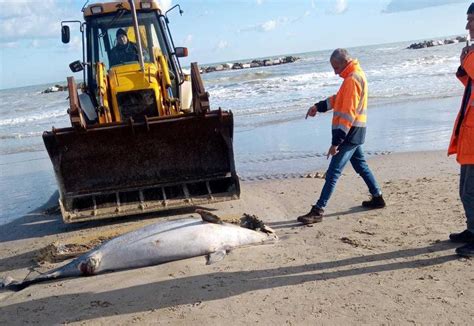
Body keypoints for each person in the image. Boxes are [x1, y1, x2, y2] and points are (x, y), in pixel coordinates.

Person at [297, 48, 385, 225]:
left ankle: (318, 210)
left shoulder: (352, 79)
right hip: (356, 132)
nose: (335, 72)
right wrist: (319, 106)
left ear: (345, 62)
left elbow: (348, 113)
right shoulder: (354, 75)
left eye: (336, 67)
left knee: (333, 172)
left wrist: (336, 142)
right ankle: (377, 197)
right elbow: (339, 99)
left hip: (350, 134)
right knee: (361, 165)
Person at [447, 3, 474, 258]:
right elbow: (471, 83)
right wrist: (463, 66)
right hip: (469, 135)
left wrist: (467, 58)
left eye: (471, 20)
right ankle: (472, 230)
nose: (467, 26)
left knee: (471, 190)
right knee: (465, 189)